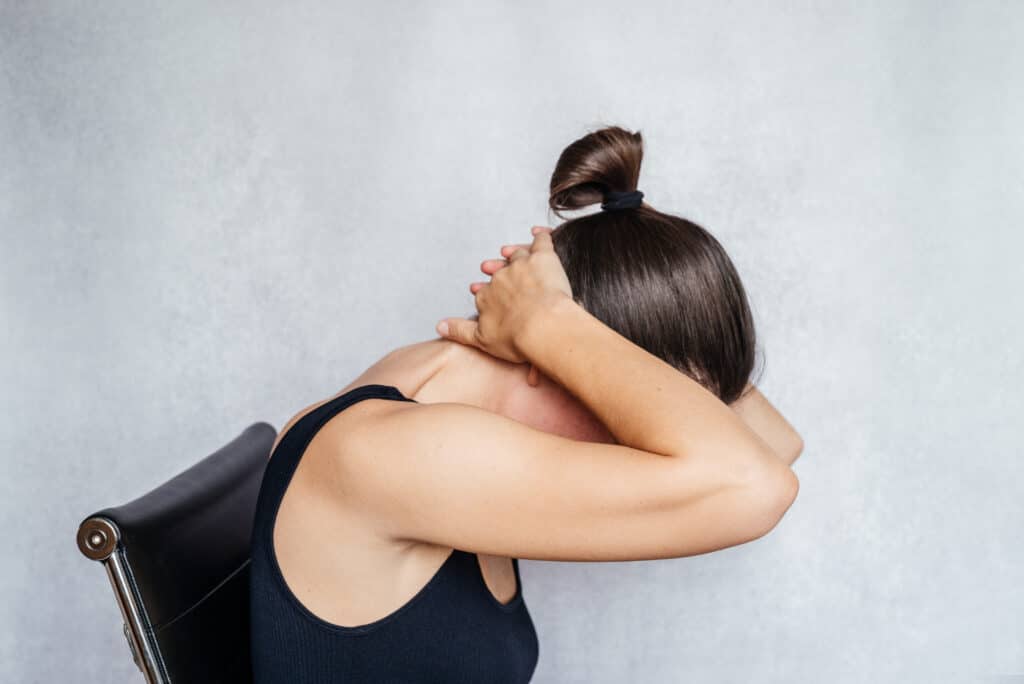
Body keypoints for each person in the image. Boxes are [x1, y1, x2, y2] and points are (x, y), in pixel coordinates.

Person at [248, 125, 804, 683]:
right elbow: (756, 484)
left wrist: (649, 259)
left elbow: (776, 449)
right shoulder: (400, 451)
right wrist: (551, 320)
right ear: (553, 356)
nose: (642, 432)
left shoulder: (434, 384)